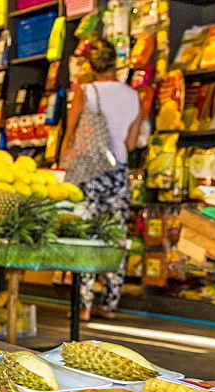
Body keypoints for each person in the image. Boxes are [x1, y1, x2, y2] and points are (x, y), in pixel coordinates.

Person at [60, 39, 141, 321]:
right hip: (118, 172)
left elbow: (70, 134)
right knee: (115, 237)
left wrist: (62, 167)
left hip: (89, 174)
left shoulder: (87, 91)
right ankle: (110, 305)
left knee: (87, 237)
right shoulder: (133, 95)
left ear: (91, 65)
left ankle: (83, 306)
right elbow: (131, 143)